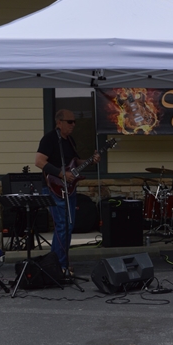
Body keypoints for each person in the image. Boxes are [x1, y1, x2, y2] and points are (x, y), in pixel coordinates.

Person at [35, 109, 100, 271]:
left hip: (68, 189)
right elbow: (39, 161)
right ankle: (59, 264)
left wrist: (91, 161)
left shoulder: (69, 140)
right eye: (70, 122)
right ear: (59, 122)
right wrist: (61, 174)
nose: (73, 125)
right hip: (53, 187)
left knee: (68, 226)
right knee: (62, 225)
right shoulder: (49, 139)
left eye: (75, 122)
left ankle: (56, 262)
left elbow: (75, 162)